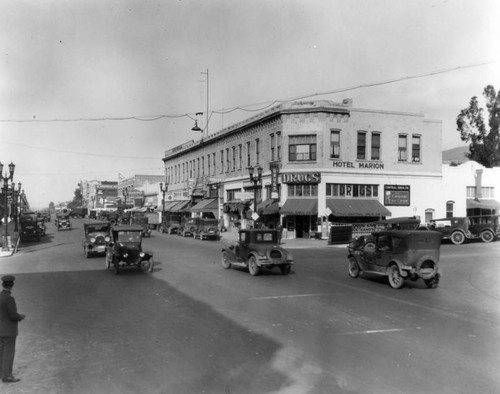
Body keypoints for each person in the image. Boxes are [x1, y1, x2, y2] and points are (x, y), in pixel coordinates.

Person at [0, 275, 25, 383]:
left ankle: (1, 373)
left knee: (1, 352)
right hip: (9, 331)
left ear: (3, 284)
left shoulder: (0, 296)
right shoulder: (9, 299)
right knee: (9, 353)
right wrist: (21, 316)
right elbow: (13, 316)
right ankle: (7, 376)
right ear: (12, 285)